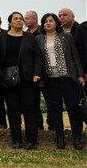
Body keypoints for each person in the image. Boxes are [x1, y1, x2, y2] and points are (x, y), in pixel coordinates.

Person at [36, 13, 85, 150]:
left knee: (73, 107)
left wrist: (80, 74)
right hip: (50, 79)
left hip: (68, 77)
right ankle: (60, 138)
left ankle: (77, 138)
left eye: (51, 21)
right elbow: (38, 60)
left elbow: (75, 56)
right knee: (55, 109)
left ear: (56, 23)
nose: (48, 23)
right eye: (45, 21)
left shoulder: (66, 36)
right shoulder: (39, 39)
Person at [0, 12, 42, 149]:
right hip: (9, 80)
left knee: (30, 110)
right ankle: (16, 140)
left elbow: (37, 56)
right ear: (9, 22)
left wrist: (37, 73)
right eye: (15, 19)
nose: (19, 20)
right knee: (13, 110)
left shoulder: (29, 38)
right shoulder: (1, 38)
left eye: (20, 18)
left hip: (28, 79)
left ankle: (31, 140)